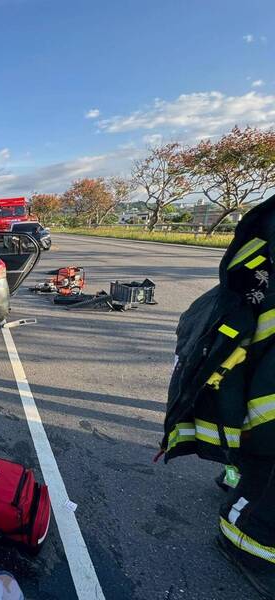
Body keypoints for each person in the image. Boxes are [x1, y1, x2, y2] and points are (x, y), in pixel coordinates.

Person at [162, 193, 275, 598]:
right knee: (261, 481)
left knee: (256, 465)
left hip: (251, 405)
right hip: (256, 412)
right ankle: (244, 544)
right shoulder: (257, 279)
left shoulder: (255, 269)